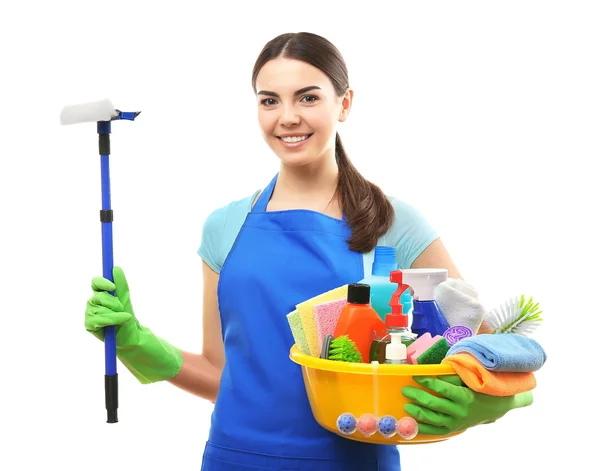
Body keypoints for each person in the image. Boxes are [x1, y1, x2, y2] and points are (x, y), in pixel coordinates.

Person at [85, 32, 531, 471]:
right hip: (233, 459)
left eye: (308, 98)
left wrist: (486, 401)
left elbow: (486, 346)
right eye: (269, 100)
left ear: (345, 103)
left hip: (351, 460)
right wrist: (136, 343)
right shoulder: (225, 227)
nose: (288, 117)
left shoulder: (394, 222)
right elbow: (222, 373)